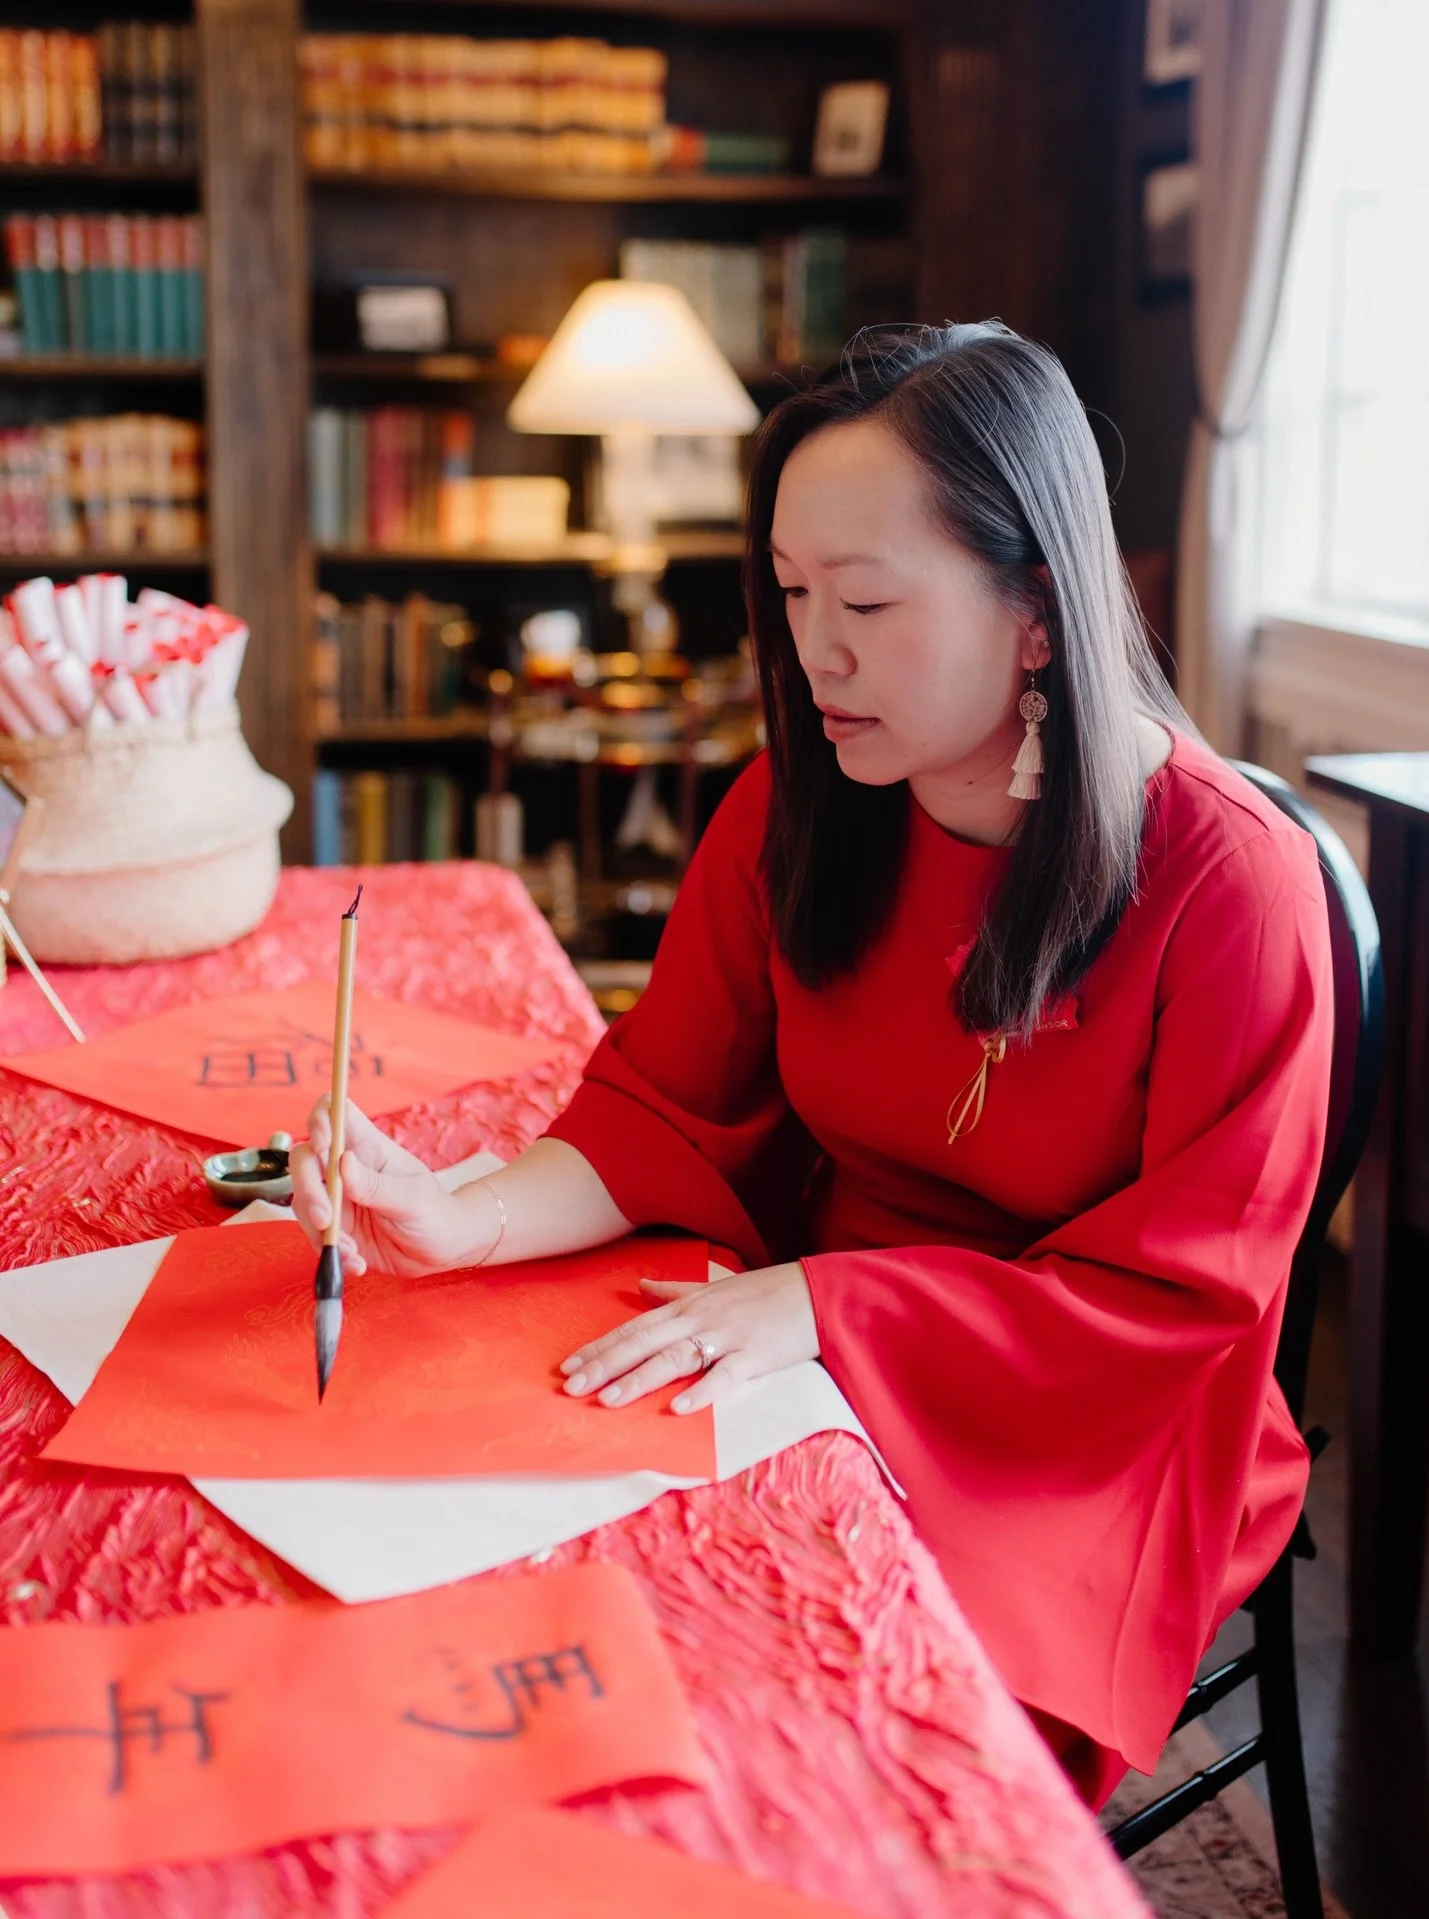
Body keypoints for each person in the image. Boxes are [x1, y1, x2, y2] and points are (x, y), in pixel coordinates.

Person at [292, 322, 1332, 1809]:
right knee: (560, 1615)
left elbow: (1184, 1306)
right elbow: (668, 1104)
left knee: (822, 1725)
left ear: (1040, 612)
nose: (812, 652)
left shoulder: (1232, 887)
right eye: (790, 593)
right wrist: (468, 1215)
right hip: (810, 1329)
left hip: (1095, 1421)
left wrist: (831, 1310)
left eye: (867, 600)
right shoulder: (805, 799)